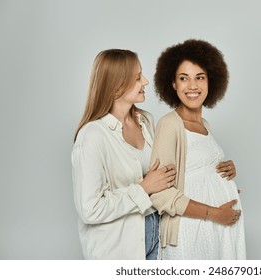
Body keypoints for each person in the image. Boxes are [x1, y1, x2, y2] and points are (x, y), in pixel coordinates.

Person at [71, 49, 176, 260]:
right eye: (138, 77)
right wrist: (143, 188)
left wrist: (216, 174)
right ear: (117, 87)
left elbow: (165, 175)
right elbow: (90, 209)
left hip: (158, 238)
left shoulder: (146, 121)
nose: (145, 81)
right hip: (119, 249)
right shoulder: (92, 136)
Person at [150, 39, 246, 259]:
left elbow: (196, 175)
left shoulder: (205, 126)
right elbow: (161, 195)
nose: (192, 86)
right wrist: (214, 214)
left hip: (215, 231)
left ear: (211, 81)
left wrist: (225, 176)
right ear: (173, 84)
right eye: (184, 78)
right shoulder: (169, 125)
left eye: (199, 77)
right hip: (190, 234)